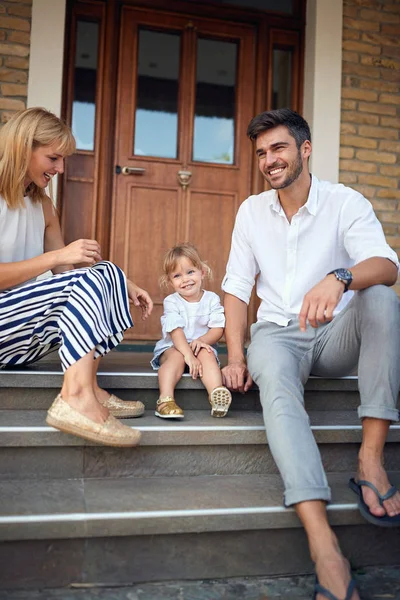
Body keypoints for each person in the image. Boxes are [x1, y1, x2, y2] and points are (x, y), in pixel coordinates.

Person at [221, 108, 400, 600]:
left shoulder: (344, 202)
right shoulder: (251, 212)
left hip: (332, 333)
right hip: (275, 334)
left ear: (304, 149)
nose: (268, 160)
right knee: (276, 384)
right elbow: (237, 288)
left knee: (382, 298)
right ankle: (324, 546)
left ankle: (370, 460)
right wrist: (235, 355)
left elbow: (386, 265)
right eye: (260, 152)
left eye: (278, 148)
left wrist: (339, 277)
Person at [0, 107, 153, 447]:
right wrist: (57, 255)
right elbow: (57, 261)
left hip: (20, 333)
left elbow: (64, 275)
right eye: (53, 158)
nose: (60, 169)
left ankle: (90, 389)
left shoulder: (43, 205)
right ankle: (76, 398)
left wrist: (118, 282)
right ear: (23, 147)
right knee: (90, 276)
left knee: (107, 270)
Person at [151, 243, 231, 419]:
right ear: (170, 281)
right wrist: (188, 355)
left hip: (199, 345)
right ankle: (165, 399)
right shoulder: (172, 301)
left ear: (202, 272)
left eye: (190, 272)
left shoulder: (211, 299)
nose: (185, 279)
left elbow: (217, 328)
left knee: (207, 355)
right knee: (176, 357)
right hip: (174, 346)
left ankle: (216, 394)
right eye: (177, 276)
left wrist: (203, 341)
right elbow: (175, 331)